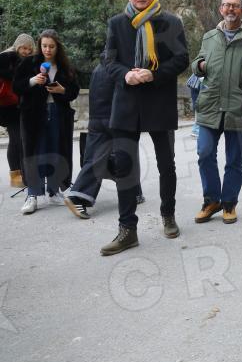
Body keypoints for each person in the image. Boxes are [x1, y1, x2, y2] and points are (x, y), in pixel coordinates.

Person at [100, 0, 189, 255]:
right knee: (124, 167)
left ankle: (168, 215)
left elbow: (181, 59)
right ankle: (127, 229)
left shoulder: (170, 22)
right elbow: (108, 59)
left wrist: (154, 74)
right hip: (126, 103)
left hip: (159, 101)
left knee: (166, 165)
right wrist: (125, 74)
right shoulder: (117, 23)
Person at [190, 0, 242, 224]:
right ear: (220, 9)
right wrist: (200, 65)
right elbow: (197, 62)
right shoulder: (209, 36)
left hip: (239, 107)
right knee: (205, 153)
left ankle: (229, 203)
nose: (230, 9)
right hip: (210, 105)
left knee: (234, 160)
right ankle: (211, 201)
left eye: (235, 6)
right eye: (226, 5)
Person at [63, 55, 145, 219]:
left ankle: (79, 195)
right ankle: (132, 192)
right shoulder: (122, 67)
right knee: (127, 156)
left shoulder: (98, 68)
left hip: (96, 119)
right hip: (115, 118)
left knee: (96, 159)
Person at [12, 29, 79, 214]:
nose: (47, 50)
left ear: (57, 47)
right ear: (39, 45)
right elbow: (16, 86)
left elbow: (74, 90)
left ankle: (54, 191)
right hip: (33, 115)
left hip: (58, 113)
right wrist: (33, 81)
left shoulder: (65, 66)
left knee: (56, 151)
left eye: (51, 46)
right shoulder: (29, 63)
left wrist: (62, 91)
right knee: (35, 152)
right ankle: (32, 195)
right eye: (44, 46)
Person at [0, 33, 34, 188]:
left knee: (20, 139)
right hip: (7, 106)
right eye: (23, 48)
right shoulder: (6, 57)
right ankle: (15, 175)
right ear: (17, 46)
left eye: (29, 49)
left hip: (19, 105)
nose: (26, 51)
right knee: (16, 139)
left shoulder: (28, 61)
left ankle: (22, 173)